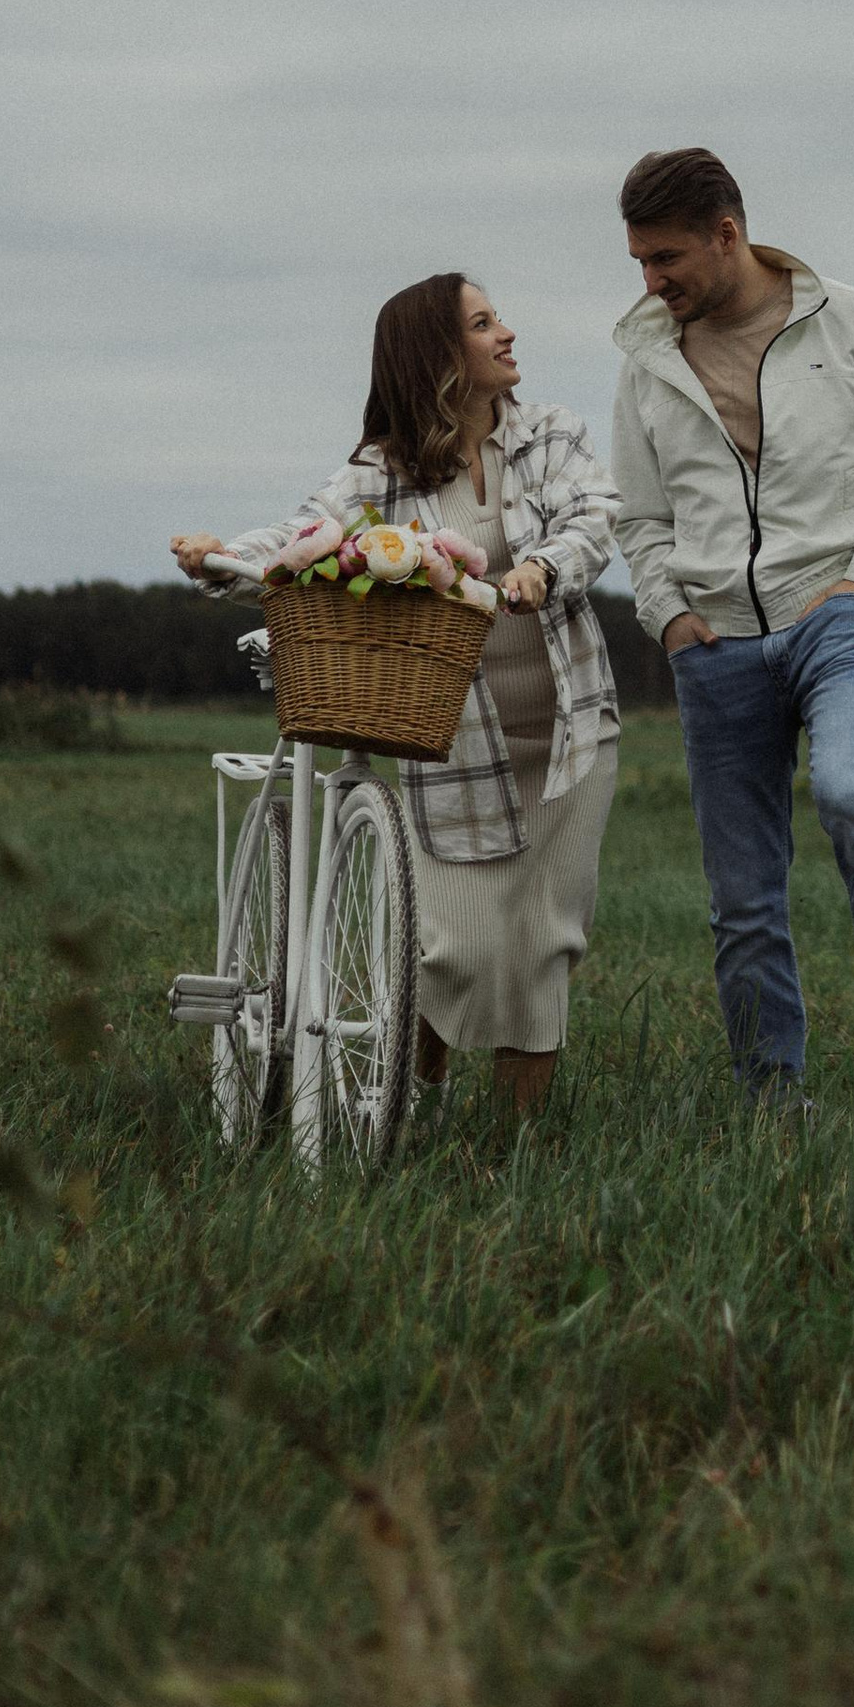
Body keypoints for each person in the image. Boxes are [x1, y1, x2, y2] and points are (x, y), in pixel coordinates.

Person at [172, 274, 620, 1122]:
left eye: (498, 319)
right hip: (452, 732)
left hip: (570, 731)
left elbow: (594, 518)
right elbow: (308, 535)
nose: (508, 335)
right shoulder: (385, 471)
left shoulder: (553, 436)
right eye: (484, 325)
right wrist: (220, 556)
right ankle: (406, 1105)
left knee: (543, 942)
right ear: (441, 359)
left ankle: (518, 1148)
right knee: (453, 945)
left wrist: (540, 570)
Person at [612, 146, 854, 1120]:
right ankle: (771, 1099)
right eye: (640, 261)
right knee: (742, 895)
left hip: (839, 612)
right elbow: (640, 519)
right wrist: (670, 616)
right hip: (715, 643)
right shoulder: (646, 362)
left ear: (728, 234)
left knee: (853, 792)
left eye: (667, 258)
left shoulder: (852, 323)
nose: (652, 281)